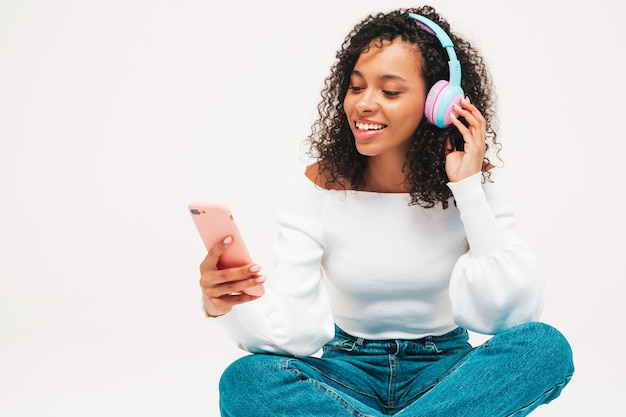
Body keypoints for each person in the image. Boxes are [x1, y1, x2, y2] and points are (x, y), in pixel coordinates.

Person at [199, 5, 574, 416]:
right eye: (356, 87)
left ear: (440, 103)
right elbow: (297, 326)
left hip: (447, 376)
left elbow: (509, 315)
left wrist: (466, 190)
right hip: (347, 372)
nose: (364, 104)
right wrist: (229, 306)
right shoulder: (319, 186)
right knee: (247, 380)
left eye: (390, 92)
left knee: (543, 348)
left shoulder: (476, 183)